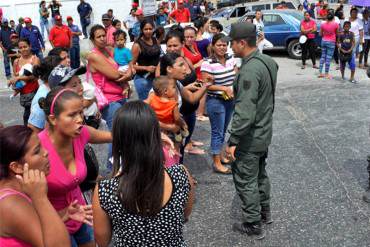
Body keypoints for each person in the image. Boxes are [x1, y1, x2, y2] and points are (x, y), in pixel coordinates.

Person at [92, 101, 195, 246]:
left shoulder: (105, 190)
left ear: (118, 139)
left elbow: (102, 241)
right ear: (156, 135)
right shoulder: (180, 174)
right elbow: (185, 213)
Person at [38, 87, 112, 247]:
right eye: (72, 115)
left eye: (81, 112)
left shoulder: (81, 134)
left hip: (80, 213)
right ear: (53, 119)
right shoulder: (37, 149)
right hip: (54, 221)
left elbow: (115, 136)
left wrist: (151, 132)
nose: (80, 119)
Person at [225, 22, 278, 239]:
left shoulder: (248, 70)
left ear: (242, 42)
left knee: (246, 178)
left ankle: (254, 223)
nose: (230, 47)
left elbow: (245, 112)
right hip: (265, 131)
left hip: (251, 135)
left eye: (232, 42)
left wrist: (233, 140)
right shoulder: (267, 61)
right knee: (260, 173)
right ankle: (265, 211)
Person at [0, 125, 72, 247]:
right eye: (37, 151)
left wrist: (63, 215)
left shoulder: (19, 188)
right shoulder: (10, 204)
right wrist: (40, 198)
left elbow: (32, 224)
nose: (46, 152)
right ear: (16, 167)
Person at [162, 29, 206, 157]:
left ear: (182, 44)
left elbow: (191, 97)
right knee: (171, 157)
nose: (185, 70)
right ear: (169, 69)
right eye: (169, 45)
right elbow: (155, 118)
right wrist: (174, 126)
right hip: (168, 132)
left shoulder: (178, 83)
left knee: (179, 153)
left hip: (187, 113)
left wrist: (205, 85)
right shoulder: (161, 90)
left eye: (175, 45)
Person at [200, 33, 237, 174]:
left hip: (229, 100)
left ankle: (220, 156)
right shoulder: (207, 63)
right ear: (213, 46)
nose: (222, 47)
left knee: (223, 130)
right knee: (217, 132)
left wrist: (233, 89)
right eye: (219, 45)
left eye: (224, 45)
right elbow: (207, 85)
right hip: (216, 102)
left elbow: (236, 76)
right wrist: (223, 88)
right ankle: (216, 163)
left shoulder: (231, 59)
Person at [87, 24, 131, 131]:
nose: (102, 39)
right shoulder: (94, 56)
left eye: (104, 35)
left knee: (125, 133)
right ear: (92, 40)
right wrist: (129, 74)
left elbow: (127, 63)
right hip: (110, 101)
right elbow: (115, 75)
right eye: (98, 37)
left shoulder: (108, 50)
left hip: (120, 95)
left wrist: (128, 73)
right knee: (116, 135)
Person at [146, 76, 188, 144]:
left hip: (157, 128)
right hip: (170, 128)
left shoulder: (152, 97)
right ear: (165, 91)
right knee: (174, 143)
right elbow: (177, 118)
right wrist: (183, 123)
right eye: (174, 87)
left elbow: (144, 104)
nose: (175, 90)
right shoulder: (173, 104)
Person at [8, 39, 40, 125]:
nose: (23, 49)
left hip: (34, 92)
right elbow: (16, 77)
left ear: (30, 46)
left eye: (25, 46)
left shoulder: (35, 59)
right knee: (29, 117)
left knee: (30, 117)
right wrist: (13, 83)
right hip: (24, 95)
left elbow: (35, 77)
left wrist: (19, 78)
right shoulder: (16, 61)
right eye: (21, 47)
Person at [28, 55, 64, 132]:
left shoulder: (56, 89)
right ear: (53, 75)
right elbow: (33, 131)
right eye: (63, 70)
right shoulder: (43, 97)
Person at [132, 20, 161, 100]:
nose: (148, 31)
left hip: (156, 78)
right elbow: (131, 65)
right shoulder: (137, 45)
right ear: (142, 30)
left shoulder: (155, 40)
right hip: (143, 80)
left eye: (150, 29)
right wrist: (146, 68)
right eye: (146, 29)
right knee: (147, 105)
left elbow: (160, 56)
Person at [318, 10, 339, 79]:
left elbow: (320, 34)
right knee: (328, 58)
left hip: (323, 41)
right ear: (333, 17)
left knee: (322, 56)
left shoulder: (323, 24)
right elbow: (337, 34)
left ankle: (320, 73)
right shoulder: (336, 24)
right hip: (331, 42)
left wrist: (325, 33)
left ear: (327, 17)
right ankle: (326, 73)